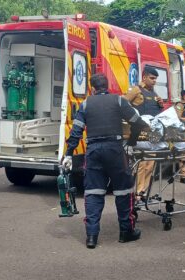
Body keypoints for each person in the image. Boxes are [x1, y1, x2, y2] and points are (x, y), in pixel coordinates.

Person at [62, 73, 150, 248]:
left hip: (93, 152)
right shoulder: (119, 101)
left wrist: (69, 154)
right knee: (123, 191)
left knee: (93, 192)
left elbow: (76, 132)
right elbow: (139, 123)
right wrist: (131, 142)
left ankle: (91, 237)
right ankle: (126, 232)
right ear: (107, 86)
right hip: (115, 150)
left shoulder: (86, 104)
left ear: (92, 88)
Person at [124, 66, 163, 198]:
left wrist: (161, 104)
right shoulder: (136, 90)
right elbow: (123, 104)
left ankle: (144, 191)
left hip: (153, 132)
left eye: (155, 79)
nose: (154, 81)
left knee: (151, 163)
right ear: (144, 77)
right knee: (141, 163)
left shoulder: (154, 93)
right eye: (152, 78)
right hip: (139, 133)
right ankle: (138, 191)